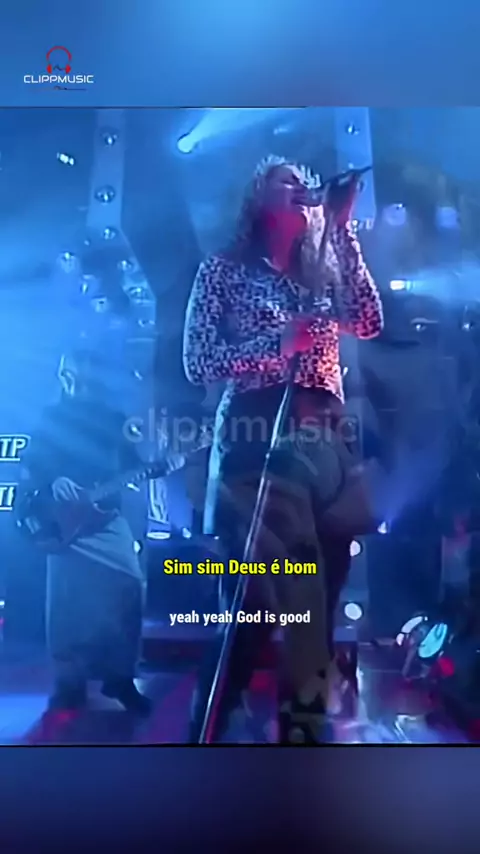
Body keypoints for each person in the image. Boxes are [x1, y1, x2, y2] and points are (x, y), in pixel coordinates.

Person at [182, 156, 384, 744]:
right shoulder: (224, 269)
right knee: (256, 602)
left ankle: (303, 735)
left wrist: (341, 229)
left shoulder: (320, 269)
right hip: (258, 427)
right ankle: (209, 727)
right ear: (258, 197)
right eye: (285, 180)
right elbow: (197, 361)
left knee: (320, 598)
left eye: (305, 181)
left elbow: (368, 319)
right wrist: (278, 343)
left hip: (326, 432)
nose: (300, 186)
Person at [17, 349, 151, 714]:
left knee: (130, 586)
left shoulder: (114, 419)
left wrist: (156, 466)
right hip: (63, 520)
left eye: (80, 370)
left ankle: (121, 678)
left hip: (105, 518)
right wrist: (54, 479)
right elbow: (32, 466)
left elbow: (133, 465)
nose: (74, 377)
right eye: (68, 371)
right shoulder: (50, 417)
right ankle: (69, 683)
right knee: (65, 605)